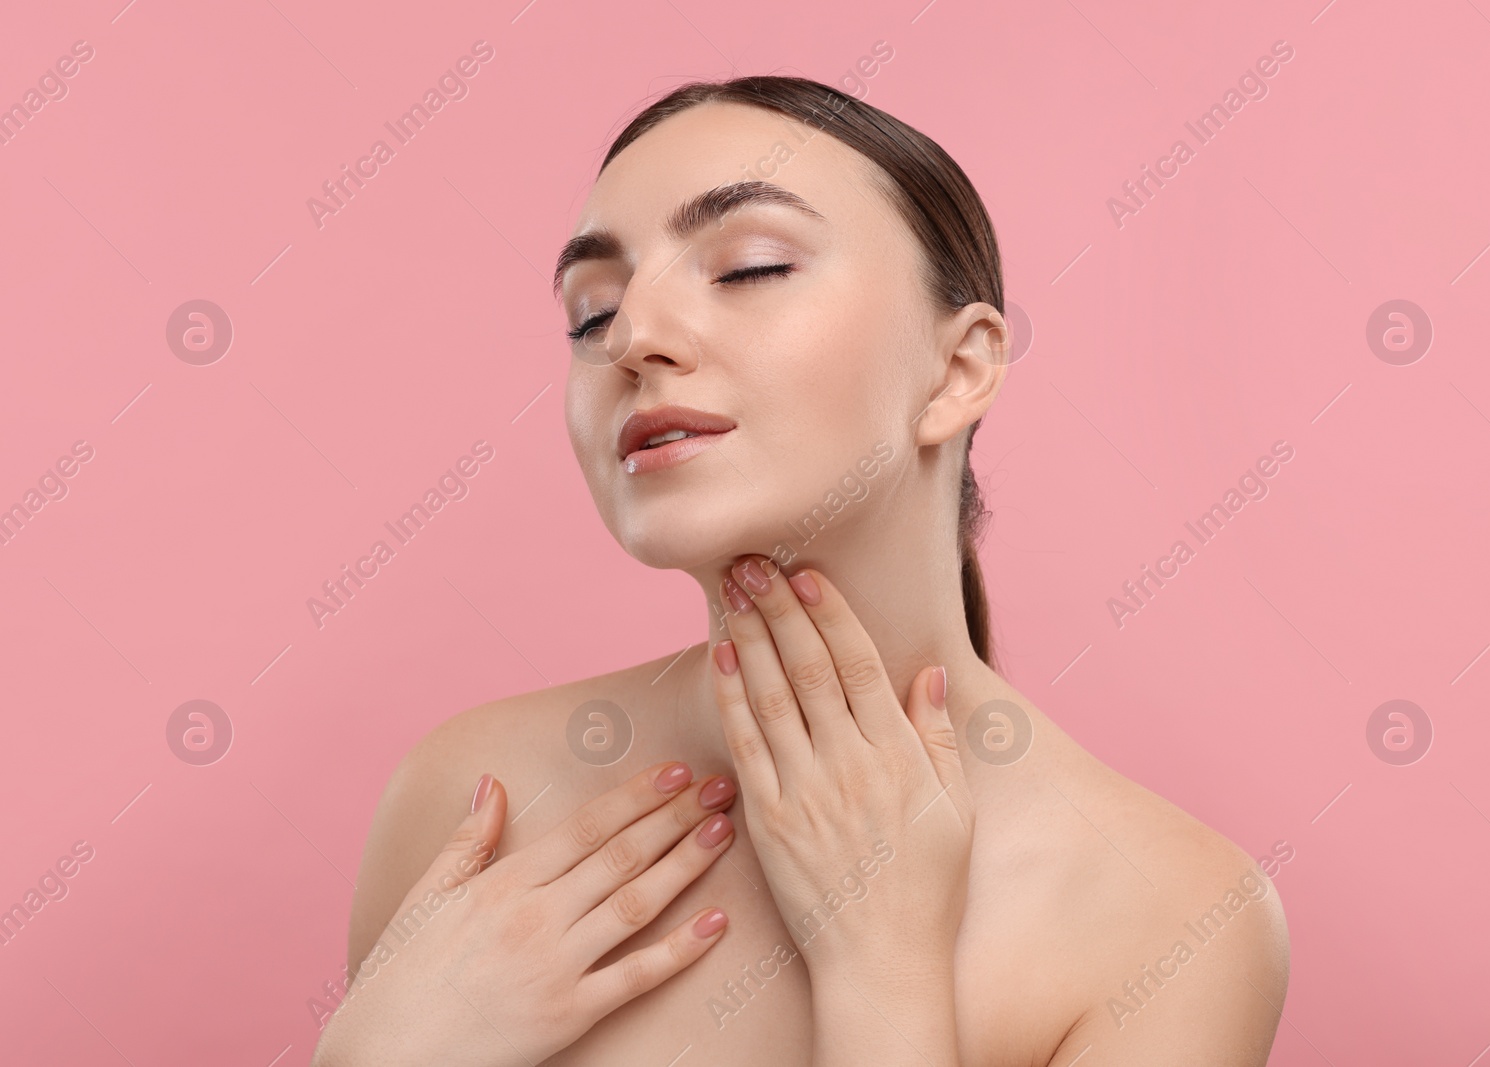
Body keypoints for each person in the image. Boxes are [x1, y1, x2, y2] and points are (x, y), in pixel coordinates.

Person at [311, 75, 1290, 1067]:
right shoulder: (477, 798)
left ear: (956, 372)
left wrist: (883, 969)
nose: (634, 338)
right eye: (590, 312)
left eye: (748, 267)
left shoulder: (1174, 915)